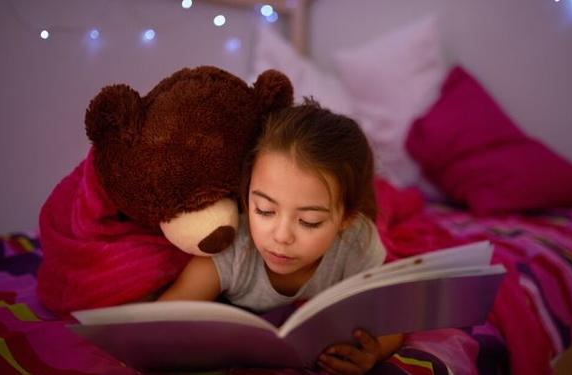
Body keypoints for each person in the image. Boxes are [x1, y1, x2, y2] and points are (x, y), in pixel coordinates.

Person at [159, 99, 404, 374]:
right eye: (264, 210)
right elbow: (159, 323)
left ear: (346, 218)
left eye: (309, 221)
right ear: (247, 193)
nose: (282, 235)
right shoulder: (233, 248)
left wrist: (374, 351)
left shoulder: (355, 243)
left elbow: (393, 322)